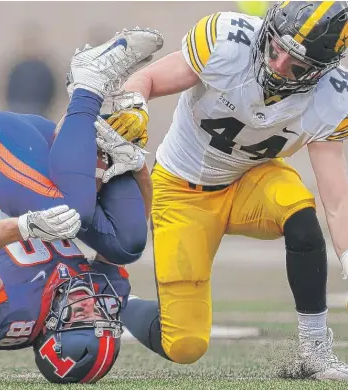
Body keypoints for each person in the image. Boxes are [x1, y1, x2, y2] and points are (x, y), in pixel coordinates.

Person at [105, 1, 348, 380]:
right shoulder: (226, 40)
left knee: (300, 211)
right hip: (180, 191)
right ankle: (114, 299)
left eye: (297, 64)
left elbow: (337, 199)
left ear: (321, 71)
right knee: (184, 346)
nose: (278, 65)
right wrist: (133, 109)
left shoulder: (333, 96)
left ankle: (314, 350)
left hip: (248, 180)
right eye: (276, 48)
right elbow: (146, 81)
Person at [0, 27, 163, 383]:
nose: (91, 305)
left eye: (81, 318)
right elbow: (128, 237)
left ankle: (88, 86)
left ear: (50, 334)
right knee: (128, 245)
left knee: (74, 212)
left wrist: (22, 227)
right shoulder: (104, 295)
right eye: (99, 318)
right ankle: (108, 122)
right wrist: (137, 167)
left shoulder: (8, 317)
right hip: (57, 160)